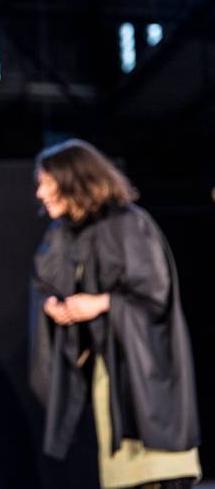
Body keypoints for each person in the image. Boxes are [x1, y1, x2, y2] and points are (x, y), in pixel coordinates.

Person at [28, 139, 201, 488]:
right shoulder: (63, 235)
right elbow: (46, 281)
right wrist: (53, 305)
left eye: (46, 182)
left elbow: (155, 295)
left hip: (139, 374)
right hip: (101, 376)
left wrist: (102, 303)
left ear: (73, 179)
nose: (40, 193)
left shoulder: (128, 224)